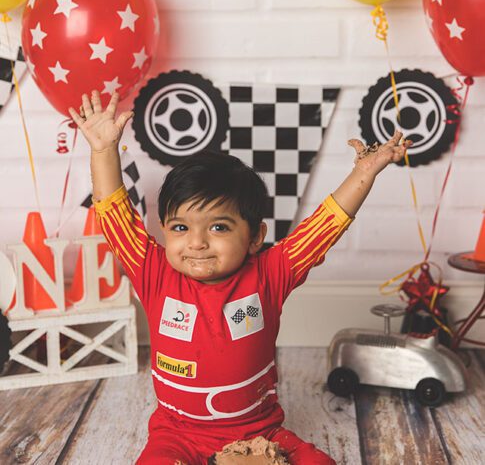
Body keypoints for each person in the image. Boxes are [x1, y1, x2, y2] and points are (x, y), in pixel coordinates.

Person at [69, 91, 411, 465]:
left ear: (255, 238)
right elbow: (114, 215)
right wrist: (103, 150)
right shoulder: (153, 272)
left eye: (218, 227)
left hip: (259, 433)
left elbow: (323, 227)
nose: (197, 242)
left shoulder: (271, 273)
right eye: (181, 227)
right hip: (177, 435)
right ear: (164, 230)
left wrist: (363, 172)